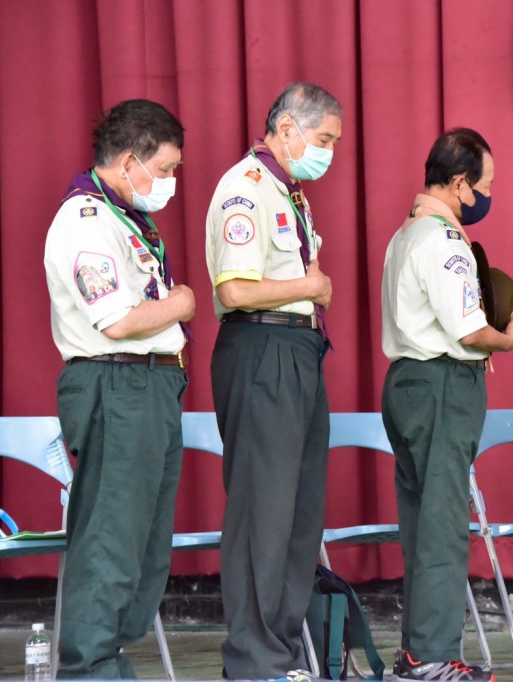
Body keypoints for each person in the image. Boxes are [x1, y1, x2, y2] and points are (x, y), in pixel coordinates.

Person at [43, 99, 193, 679]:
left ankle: (112, 658)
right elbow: (121, 321)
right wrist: (179, 303)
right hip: (115, 380)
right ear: (130, 161)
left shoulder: (125, 218)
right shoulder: (85, 221)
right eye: (166, 169)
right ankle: (88, 668)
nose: (171, 183)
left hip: (150, 383)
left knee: (146, 543)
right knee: (111, 537)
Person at [205, 82, 340, 679]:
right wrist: (309, 288)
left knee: (298, 510)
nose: (329, 152)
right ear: (288, 128)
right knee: (264, 508)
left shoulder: (292, 194)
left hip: (298, 349)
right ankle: (253, 659)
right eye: (324, 138)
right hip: (262, 347)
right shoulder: (246, 188)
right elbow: (233, 290)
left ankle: (280, 652)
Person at [381, 128, 513, 682]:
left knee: (421, 522)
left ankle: (418, 650)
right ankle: (433, 656)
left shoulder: (405, 234)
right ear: (461, 183)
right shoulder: (443, 240)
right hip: (441, 385)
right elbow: (469, 332)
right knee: (442, 525)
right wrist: (507, 336)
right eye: (484, 185)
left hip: (407, 383)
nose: (487, 196)